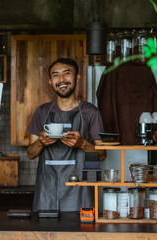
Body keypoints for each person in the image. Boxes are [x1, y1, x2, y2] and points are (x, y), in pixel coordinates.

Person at [27, 58, 106, 212]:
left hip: (80, 192)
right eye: (55, 75)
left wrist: (82, 144)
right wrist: (41, 143)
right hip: (46, 193)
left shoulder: (91, 112)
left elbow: (102, 154)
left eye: (66, 74)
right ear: (50, 81)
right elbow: (30, 154)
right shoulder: (41, 112)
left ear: (77, 77)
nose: (61, 79)